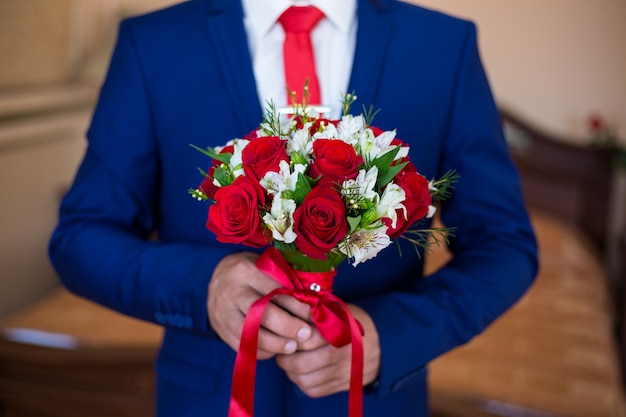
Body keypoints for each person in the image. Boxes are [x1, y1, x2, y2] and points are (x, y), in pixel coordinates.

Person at [48, 0, 538, 416]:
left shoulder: (442, 46)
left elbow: (505, 244)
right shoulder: (151, 43)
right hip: (206, 399)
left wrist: (388, 336)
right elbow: (81, 236)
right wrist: (206, 285)